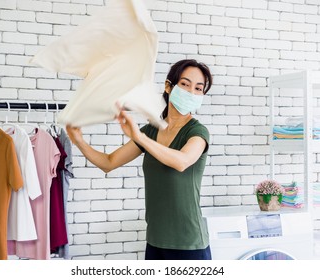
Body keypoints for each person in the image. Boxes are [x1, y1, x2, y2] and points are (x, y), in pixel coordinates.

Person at [66, 59, 213, 260]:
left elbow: (182, 161)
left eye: (198, 88)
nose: (191, 93)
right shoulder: (150, 131)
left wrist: (139, 137)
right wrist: (79, 141)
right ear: (169, 86)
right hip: (155, 240)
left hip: (188, 242)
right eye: (185, 84)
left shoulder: (197, 132)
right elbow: (109, 162)